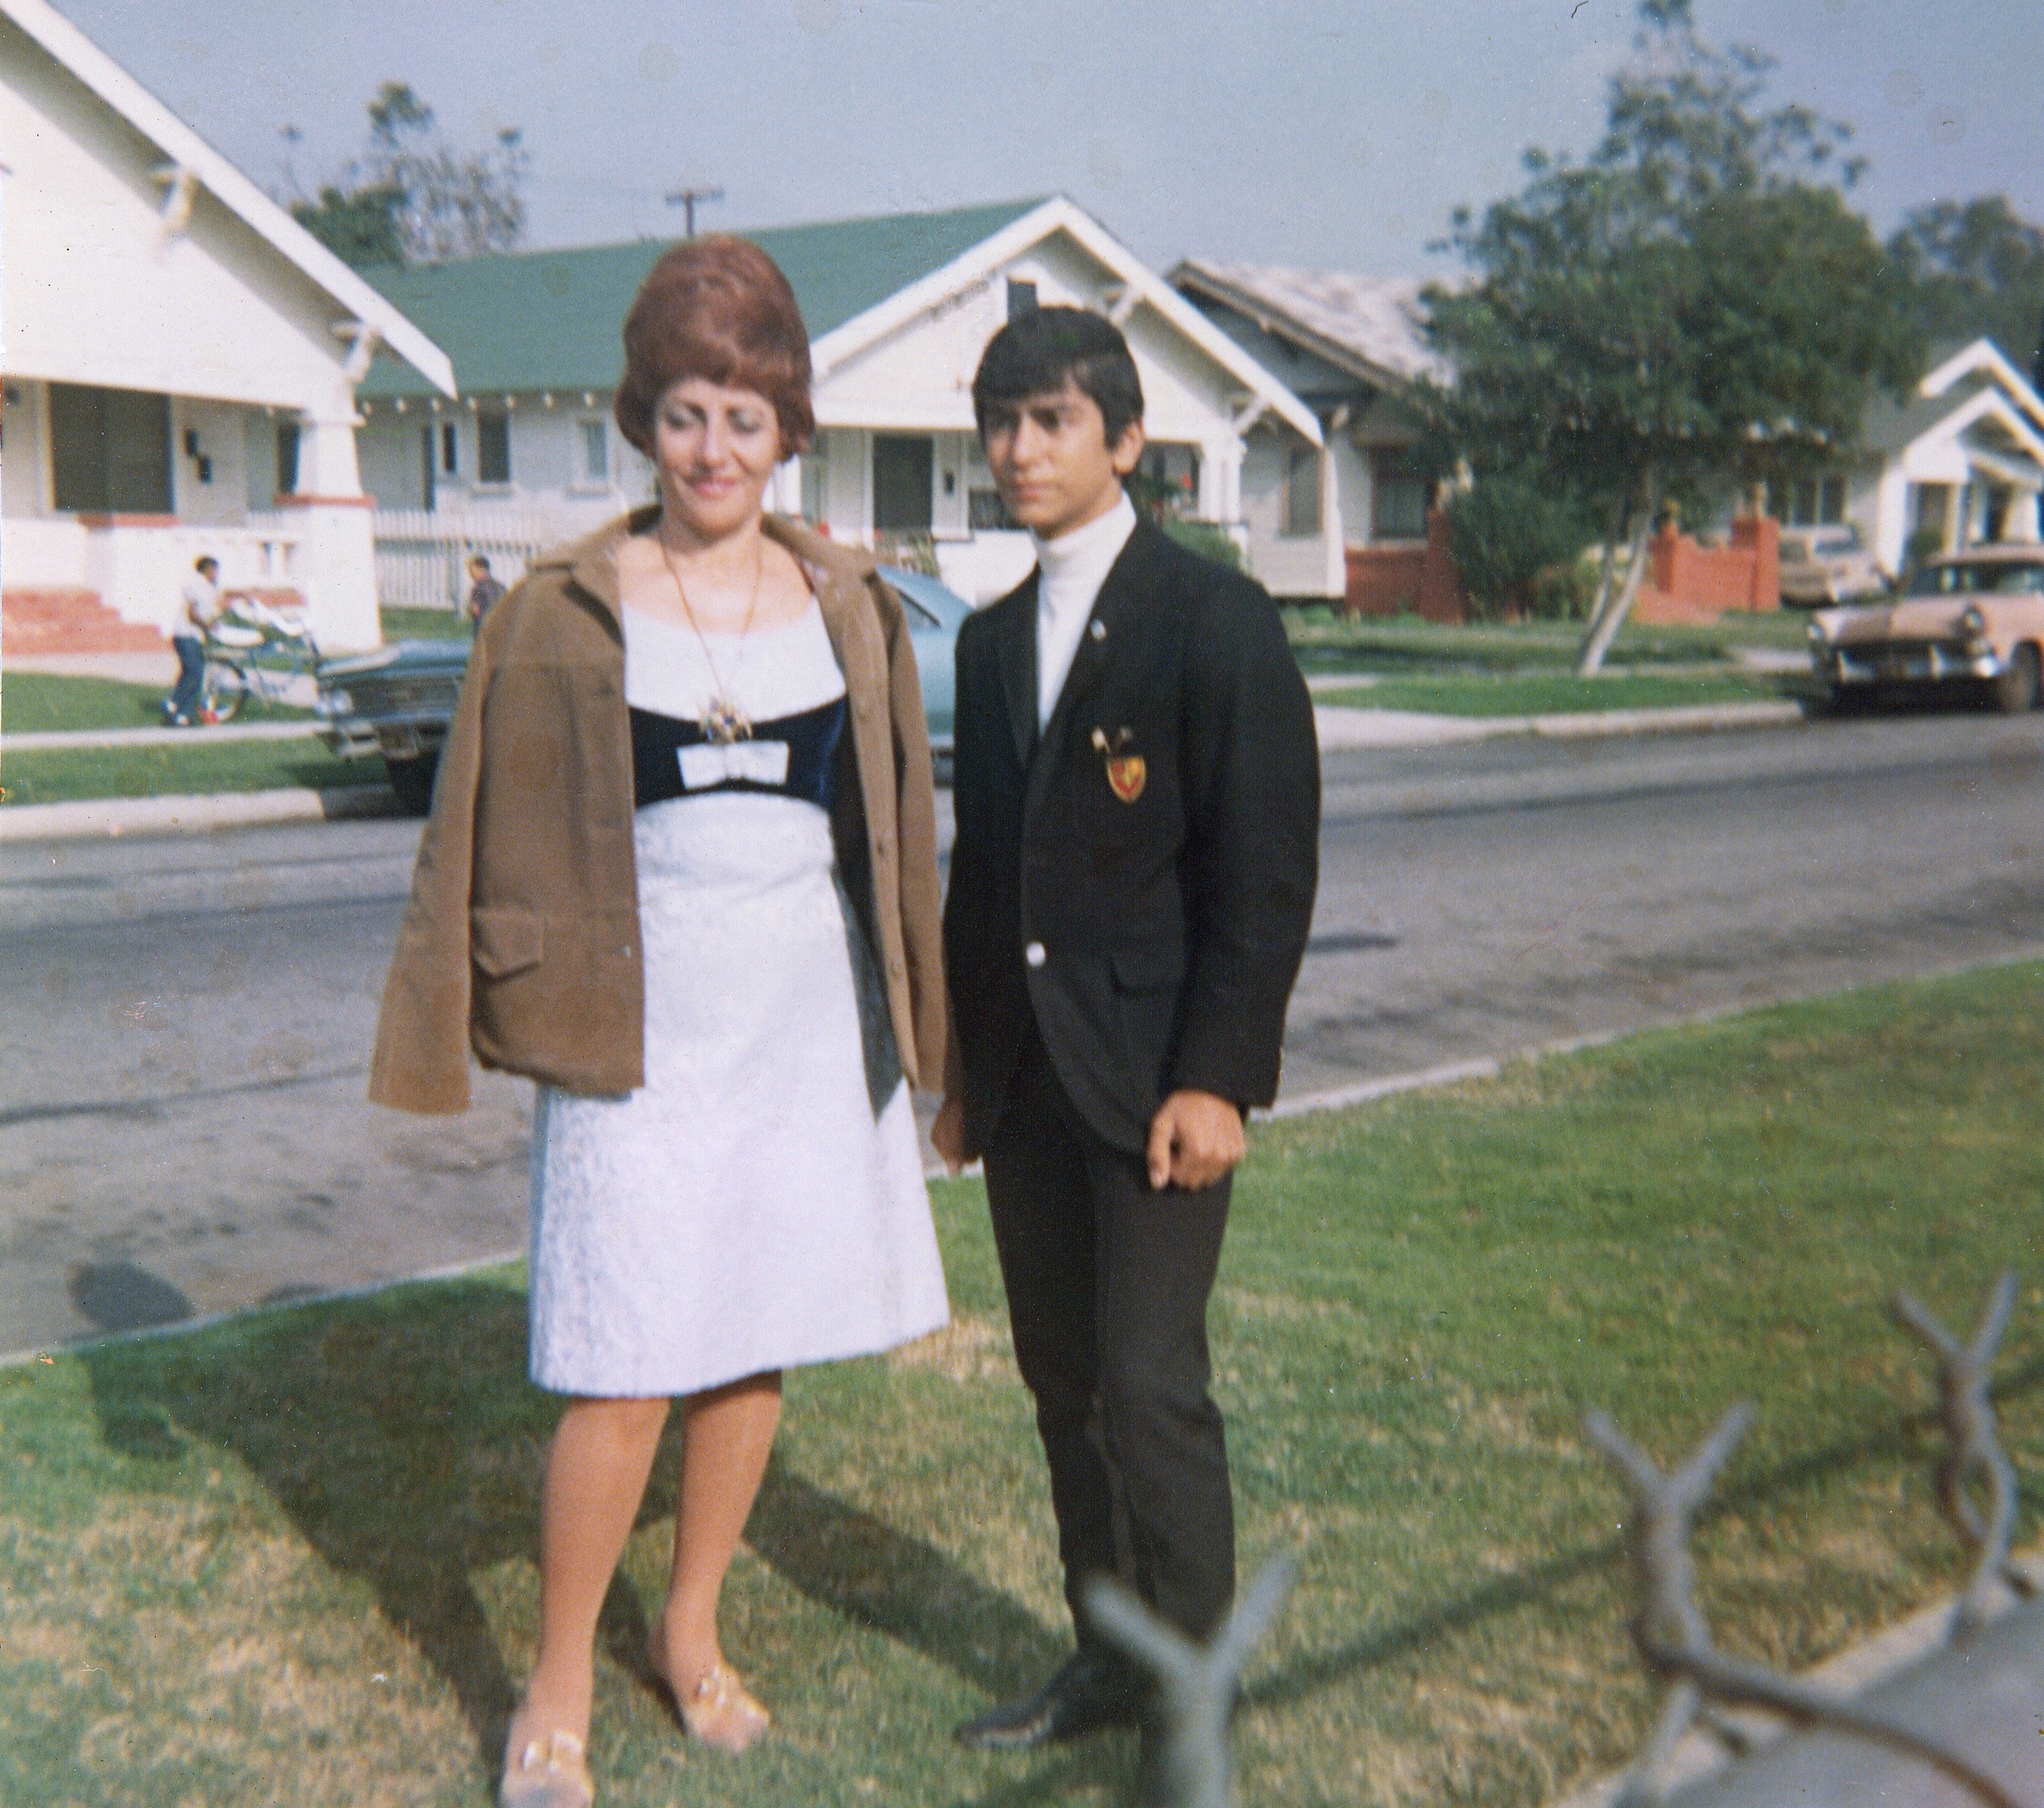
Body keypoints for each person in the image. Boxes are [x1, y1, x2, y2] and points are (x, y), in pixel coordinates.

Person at [369, 236, 951, 1808]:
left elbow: (893, 832)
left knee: (751, 1339)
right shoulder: (563, 606)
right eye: (687, 412)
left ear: (788, 435)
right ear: (644, 418)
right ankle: (552, 1686)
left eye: (746, 421)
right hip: (634, 1022)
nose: (713, 450)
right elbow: (474, 827)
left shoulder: (848, 603)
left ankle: (687, 1632)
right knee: (623, 1354)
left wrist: (925, 1028)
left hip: (803, 1019)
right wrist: (472, 1001)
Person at [932, 306, 1320, 1795]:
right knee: (1062, 1381)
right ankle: (1107, 1650)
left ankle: (1195, 1685)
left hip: (1159, 1081)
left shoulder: (1212, 619)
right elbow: (990, 871)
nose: (1020, 451)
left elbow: (1263, 870)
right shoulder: (984, 635)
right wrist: (969, 1069)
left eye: (1052, 423)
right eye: (1003, 423)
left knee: (1150, 1383)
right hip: (1029, 1077)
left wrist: (1218, 1075)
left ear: (1127, 441)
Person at [163, 554, 222, 726]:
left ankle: (183, 715)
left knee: (194, 674)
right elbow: (193, 615)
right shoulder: (196, 586)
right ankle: (173, 704)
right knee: (195, 672)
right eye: (215, 570)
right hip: (186, 635)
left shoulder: (209, 588)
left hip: (195, 637)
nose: (217, 574)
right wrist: (208, 626)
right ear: (208, 569)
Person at [466, 554, 506, 629]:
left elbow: (476, 611)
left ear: (481, 570)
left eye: (472, 571)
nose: (471, 574)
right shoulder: (501, 587)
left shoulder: (478, 589)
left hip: (484, 628)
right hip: (502, 627)